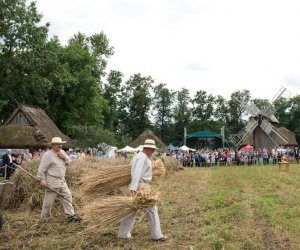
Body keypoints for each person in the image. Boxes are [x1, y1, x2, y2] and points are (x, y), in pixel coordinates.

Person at [118, 139, 168, 241]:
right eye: (153, 149)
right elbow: (136, 173)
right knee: (152, 209)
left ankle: (123, 233)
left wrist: (133, 187)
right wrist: (134, 188)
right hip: (141, 187)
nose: (153, 151)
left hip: (139, 185)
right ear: (148, 148)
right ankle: (156, 235)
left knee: (131, 209)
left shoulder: (138, 156)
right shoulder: (143, 157)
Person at [37, 137, 81, 222]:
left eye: (61, 144)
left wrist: (64, 157)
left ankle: (71, 216)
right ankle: (44, 219)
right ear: (53, 145)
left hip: (62, 181)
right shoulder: (48, 155)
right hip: (52, 181)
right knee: (48, 202)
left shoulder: (62, 152)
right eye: (58, 144)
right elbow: (41, 169)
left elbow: (68, 163)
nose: (60, 146)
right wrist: (42, 179)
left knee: (67, 197)